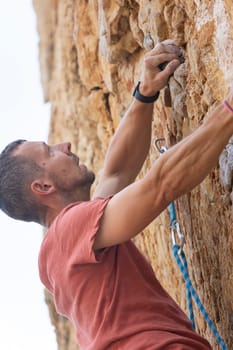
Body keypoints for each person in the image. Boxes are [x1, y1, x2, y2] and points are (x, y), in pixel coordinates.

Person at [0, 39, 232, 349]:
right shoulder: (68, 230)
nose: (64, 145)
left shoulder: (64, 250)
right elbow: (160, 185)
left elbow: (117, 172)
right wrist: (228, 111)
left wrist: (145, 92)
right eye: (49, 151)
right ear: (43, 187)